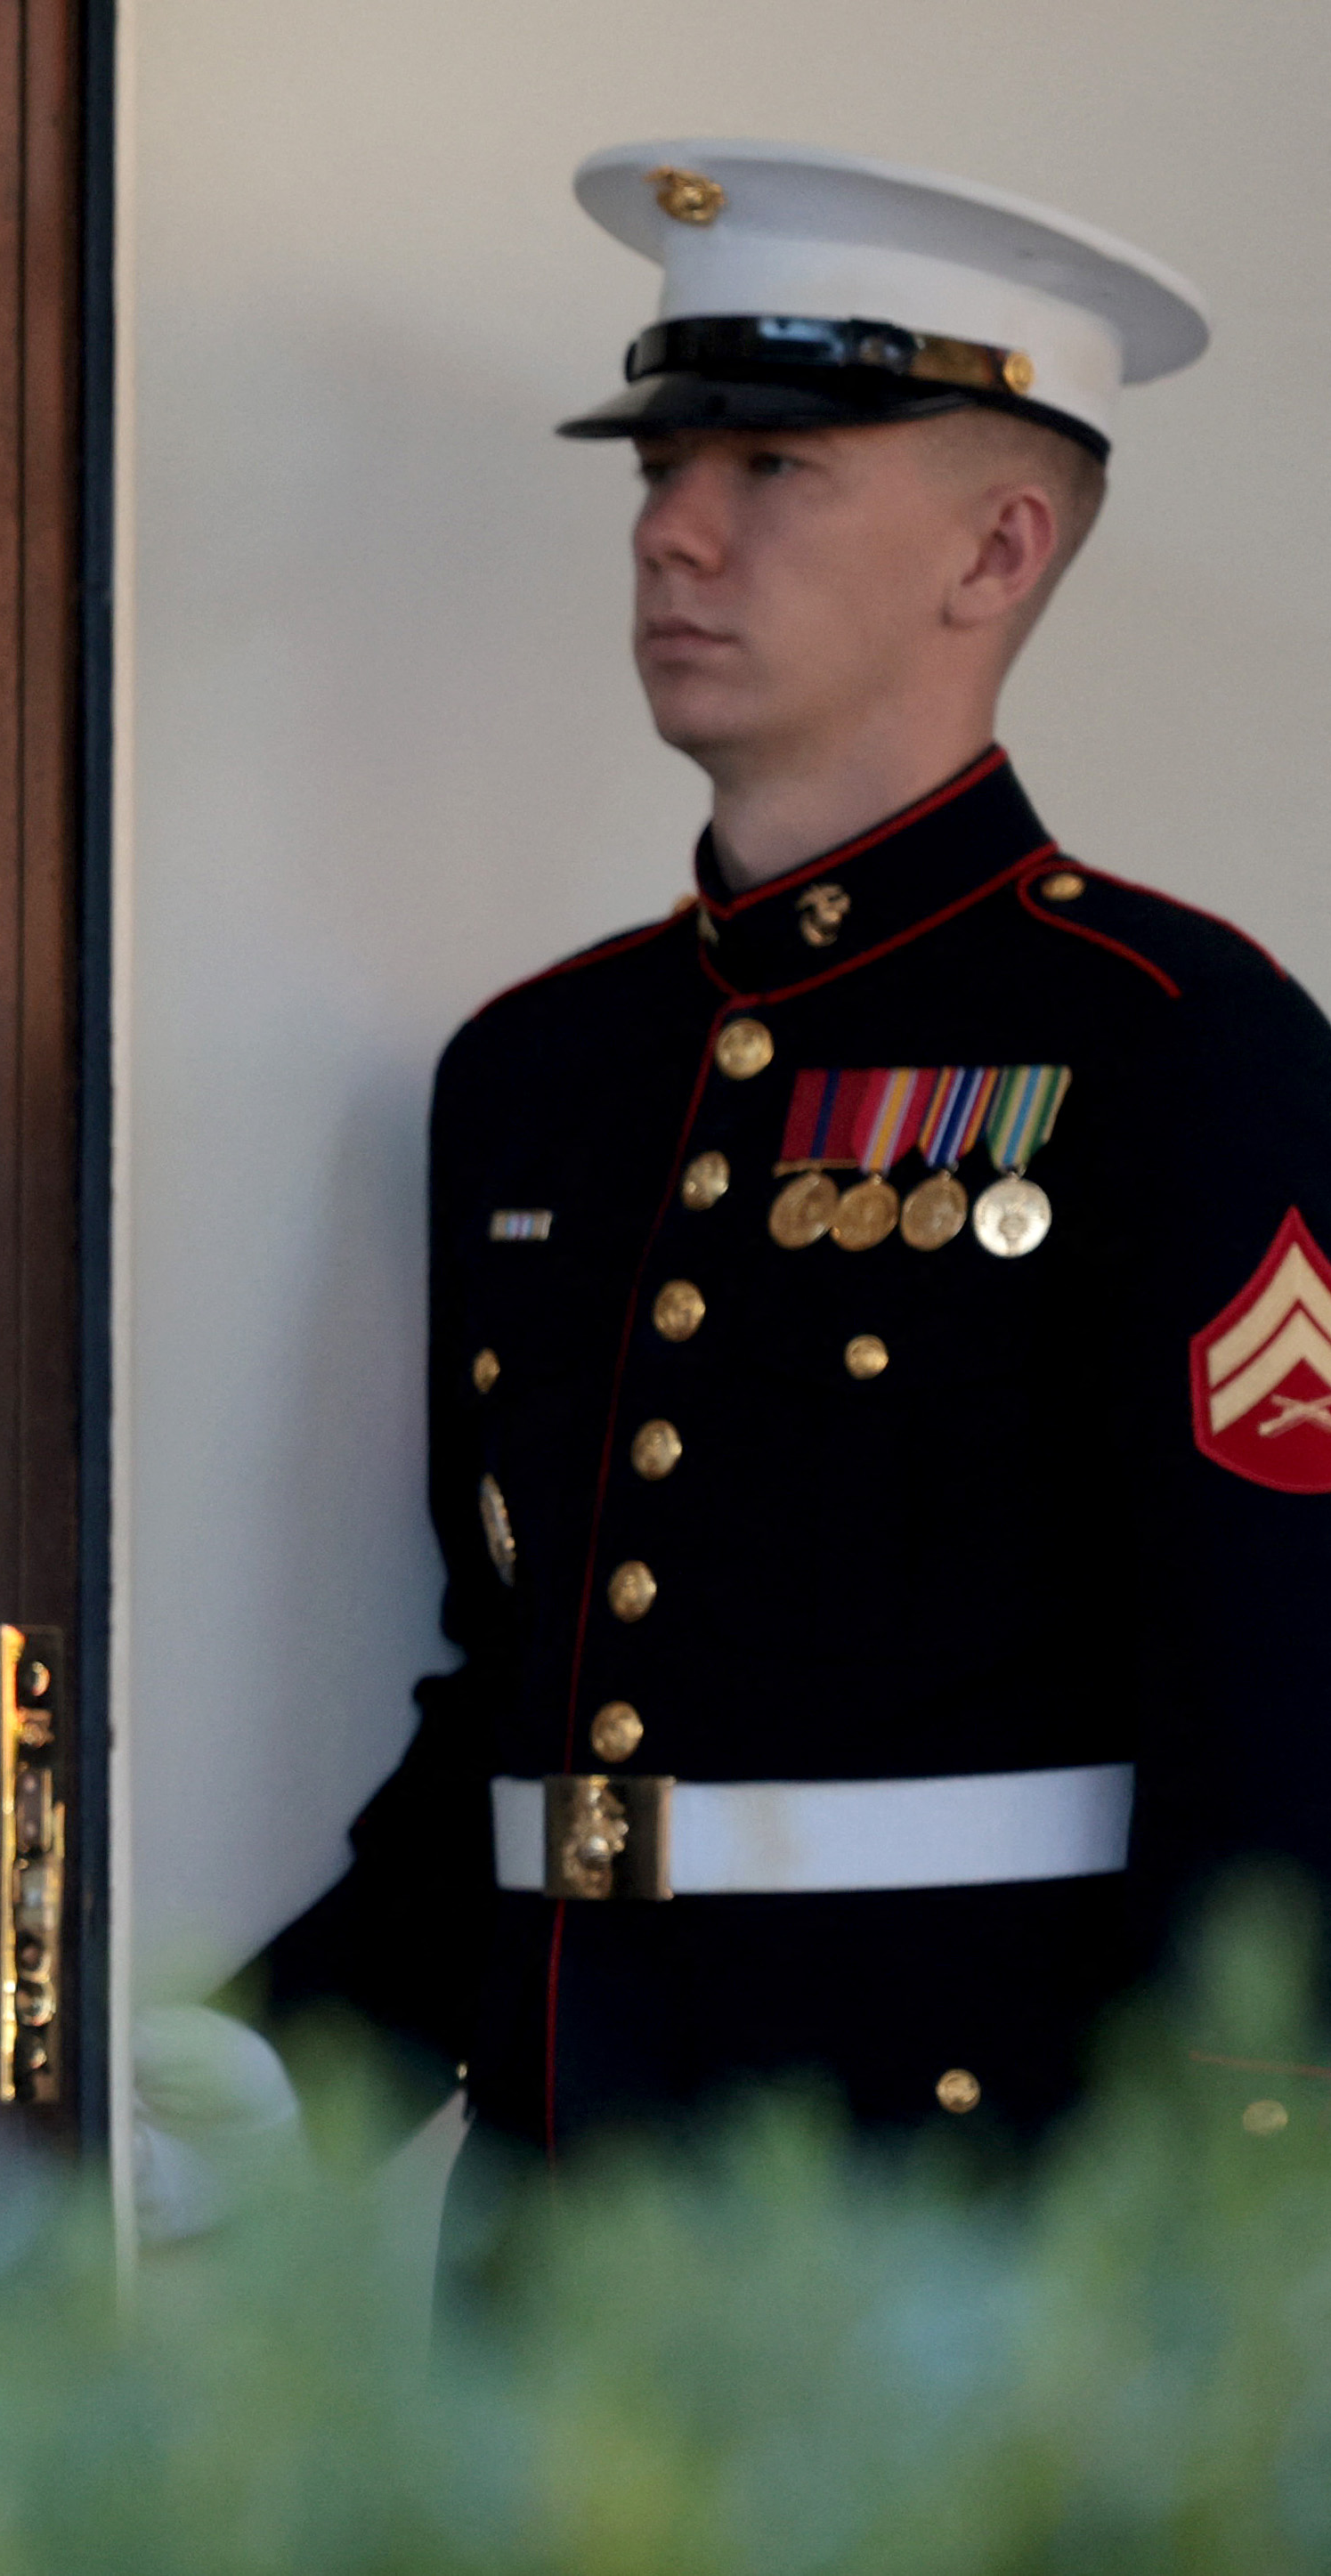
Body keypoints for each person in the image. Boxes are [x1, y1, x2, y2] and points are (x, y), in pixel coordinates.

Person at [220, 142, 1331, 2198]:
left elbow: (1280, 1710)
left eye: (773, 471)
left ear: (994, 550)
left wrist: (1223, 2216)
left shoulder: (1175, 1045)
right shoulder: (541, 1076)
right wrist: (239, 2095)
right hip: (567, 2197)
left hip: (966, 2224)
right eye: (660, 467)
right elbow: (530, 1719)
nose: (668, 530)